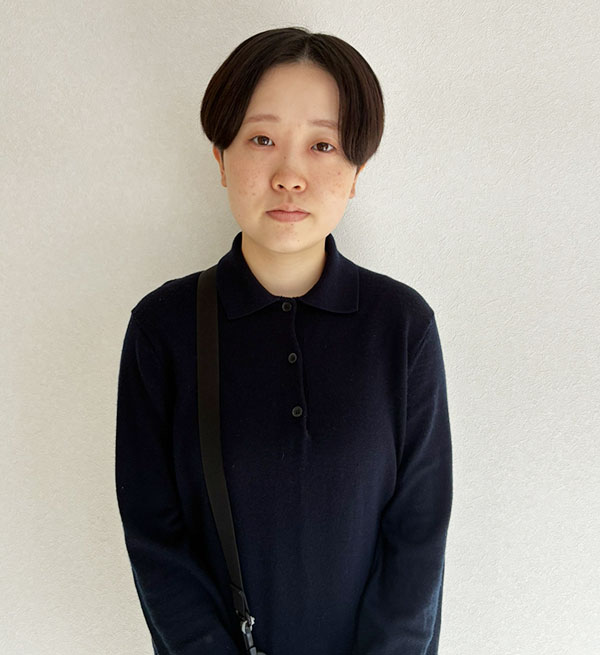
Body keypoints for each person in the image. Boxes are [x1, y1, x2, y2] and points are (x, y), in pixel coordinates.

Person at [115, 26, 453, 655]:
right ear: (221, 159)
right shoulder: (163, 329)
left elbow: (419, 535)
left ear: (356, 171)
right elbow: (155, 538)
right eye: (262, 139)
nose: (290, 175)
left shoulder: (402, 325)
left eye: (323, 145)